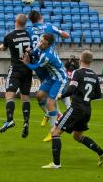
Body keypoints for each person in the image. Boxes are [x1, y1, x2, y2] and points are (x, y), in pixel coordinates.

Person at [41, 50, 103, 169]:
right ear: (91, 61)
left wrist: (61, 96)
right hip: (87, 110)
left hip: (76, 108)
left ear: (79, 60)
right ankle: (102, 153)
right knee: (77, 136)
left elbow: (71, 89)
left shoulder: (77, 72)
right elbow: (98, 95)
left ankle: (56, 164)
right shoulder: (94, 75)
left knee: (55, 132)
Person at [27, 10, 71, 142]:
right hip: (46, 68)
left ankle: (60, 121)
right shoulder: (49, 27)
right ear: (41, 17)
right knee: (41, 96)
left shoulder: (29, 30)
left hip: (45, 67)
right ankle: (52, 114)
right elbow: (66, 35)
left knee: (53, 99)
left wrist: (26, 61)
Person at [0, 14, 32, 138]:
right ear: (25, 24)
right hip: (28, 69)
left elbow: (4, 47)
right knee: (25, 97)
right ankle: (26, 122)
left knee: (9, 94)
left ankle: (10, 119)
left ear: (16, 22)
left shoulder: (9, 36)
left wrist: (1, 48)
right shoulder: (30, 35)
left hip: (16, 69)